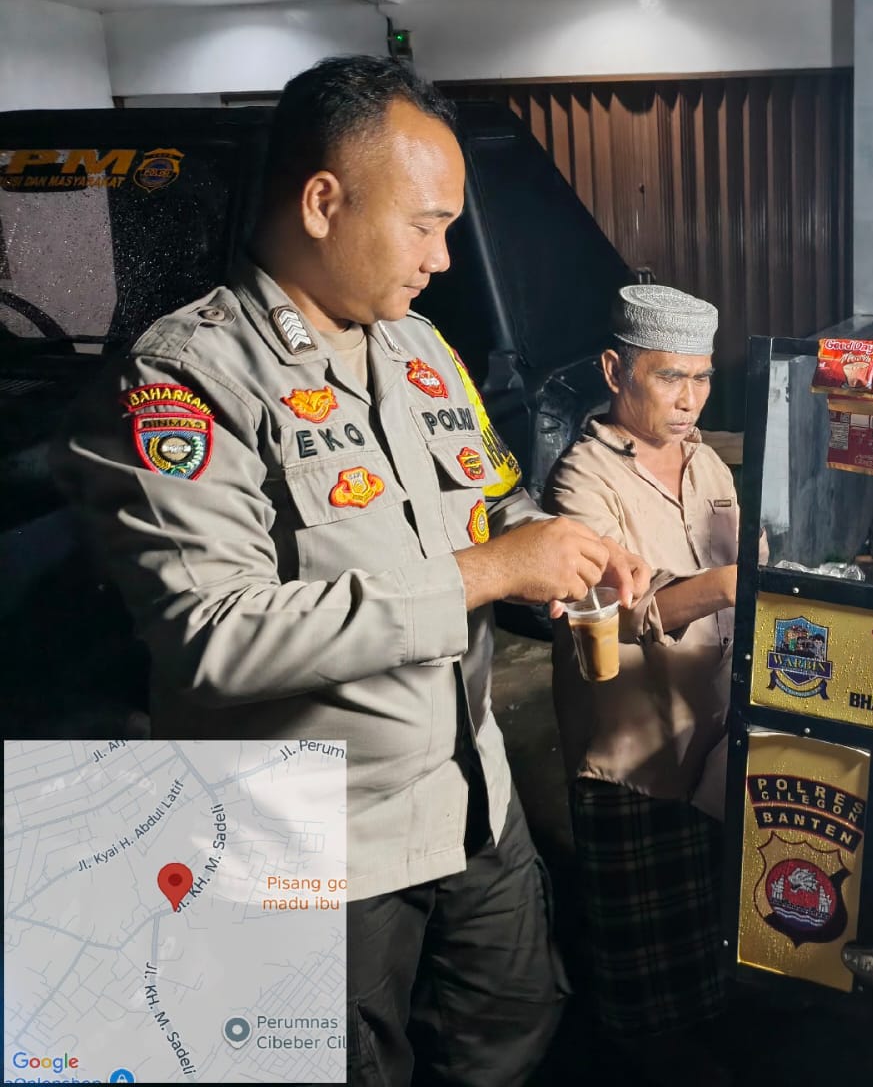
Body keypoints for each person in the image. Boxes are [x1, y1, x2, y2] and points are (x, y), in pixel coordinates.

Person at [53, 54, 650, 1087]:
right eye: (425, 225)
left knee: (510, 1031)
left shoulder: (419, 349)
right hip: (315, 844)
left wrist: (559, 546)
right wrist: (486, 571)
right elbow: (214, 639)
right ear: (324, 202)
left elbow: (490, 501)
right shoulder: (185, 380)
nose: (444, 259)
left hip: (471, 796)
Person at [543, 283, 754, 1076]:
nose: (689, 399)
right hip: (634, 759)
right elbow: (620, 606)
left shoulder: (707, 464)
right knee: (642, 981)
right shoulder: (581, 480)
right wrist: (730, 583)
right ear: (614, 370)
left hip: (714, 736)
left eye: (701, 379)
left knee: (709, 944)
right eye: (670, 377)